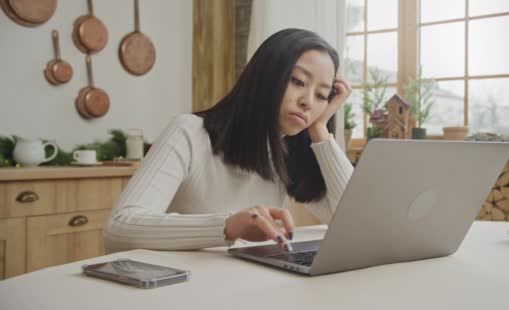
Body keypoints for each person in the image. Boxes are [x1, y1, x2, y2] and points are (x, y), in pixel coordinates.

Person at [104, 28, 354, 253]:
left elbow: (352, 221)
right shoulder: (189, 132)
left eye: (321, 95)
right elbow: (119, 228)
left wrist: (320, 129)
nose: (308, 102)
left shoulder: (285, 150)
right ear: (266, 76)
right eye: (298, 81)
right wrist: (226, 226)